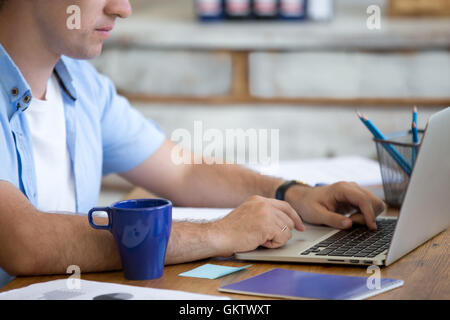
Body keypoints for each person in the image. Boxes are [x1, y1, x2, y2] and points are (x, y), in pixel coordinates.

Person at [0, 0, 385, 286]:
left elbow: (182, 170)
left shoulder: (81, 84)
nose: (123, 8)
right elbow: (23, 240)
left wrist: (293, 195)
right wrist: (218, 232)